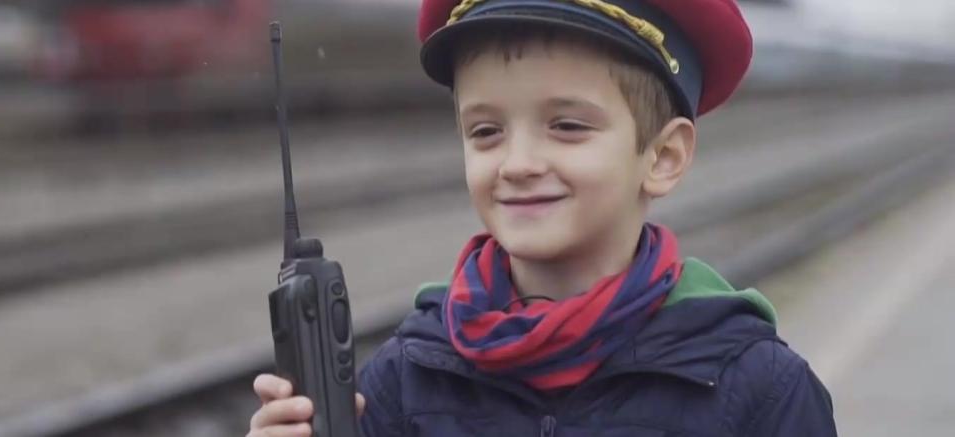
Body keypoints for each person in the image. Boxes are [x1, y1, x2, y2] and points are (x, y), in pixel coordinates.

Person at [247, 0, 838, 435]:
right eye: (486, 131)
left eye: (567, 126)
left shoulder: (758, 389)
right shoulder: (403, 380)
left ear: (662, 157)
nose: (518, 163)